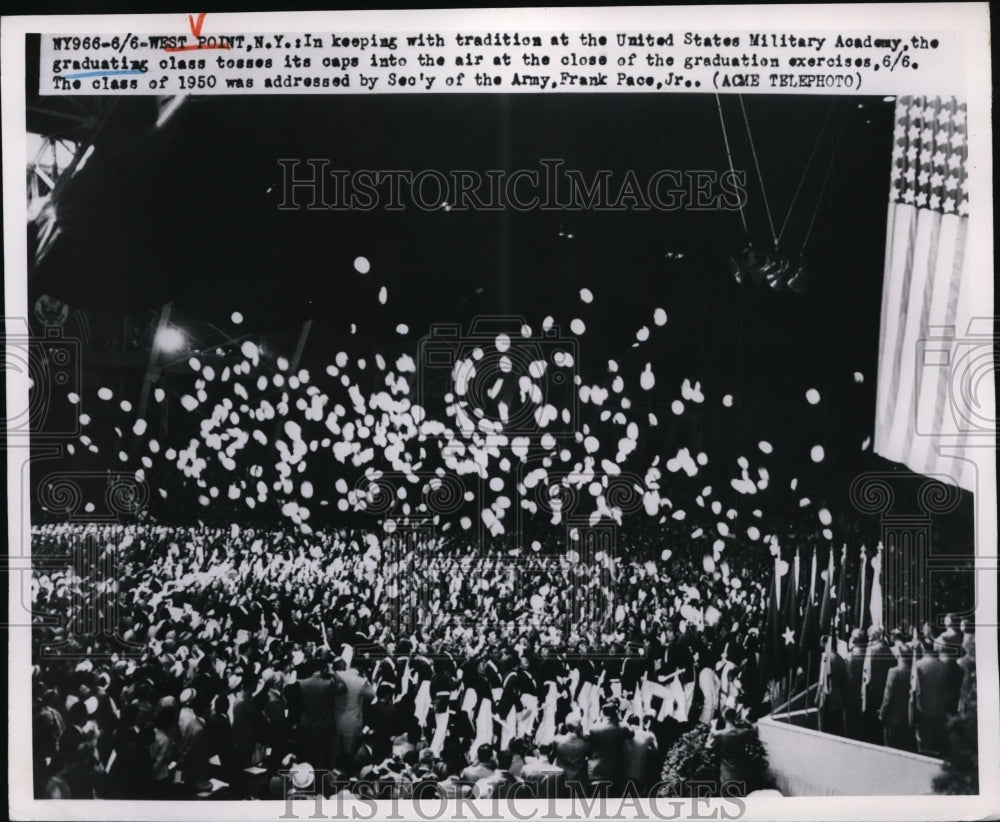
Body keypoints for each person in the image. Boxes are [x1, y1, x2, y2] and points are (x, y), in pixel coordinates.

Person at [913, 634, 963, 757]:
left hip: (923, 710)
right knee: (936, 744)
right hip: (939, 710)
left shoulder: (918, 665)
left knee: (923, 745)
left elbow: (915, 690)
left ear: (924, 649)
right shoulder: (945, 666)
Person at [586, 702, 632, 795]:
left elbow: (586, 740)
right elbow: (631, 734)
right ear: (615, 713)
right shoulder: (623, 727)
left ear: (602, 713)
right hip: (616, 770)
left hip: (596, 769)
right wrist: (620, 719)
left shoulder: (593, 728)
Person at [333, 657, 375, 757]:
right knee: (348, 756)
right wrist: (365, 677)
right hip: (352, 724)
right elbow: (372, 696)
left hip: (335, 720)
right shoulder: (361, 682)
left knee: (335, 755)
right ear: (361, 667)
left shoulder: (338, 675)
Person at [878, 636, 914, 751]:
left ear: (899, 655)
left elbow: (888, 697)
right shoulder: (914, 672)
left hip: (894, 720)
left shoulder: (894, 672)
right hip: (908, 719)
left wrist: (882, 714)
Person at [710, 708, 753, 796]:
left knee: (726, 798)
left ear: (724, 717)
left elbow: (710, 742)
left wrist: (713, 725)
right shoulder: (743, 732)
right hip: (740, 772)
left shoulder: (720, 734)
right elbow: (752, 729)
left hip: (726, 773)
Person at [816, 635, 847, 736]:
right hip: (839, 697)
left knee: (823, 726)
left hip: (826, 697)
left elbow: (822, 679)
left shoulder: (826, 659)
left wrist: (817, 696)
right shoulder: (842, 660)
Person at [552, 714, 590, 796]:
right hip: (577, 782)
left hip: (560, 781)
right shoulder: (585, 744)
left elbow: (552, 756)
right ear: (578, 726)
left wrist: (559, 732)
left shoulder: (557, 740)